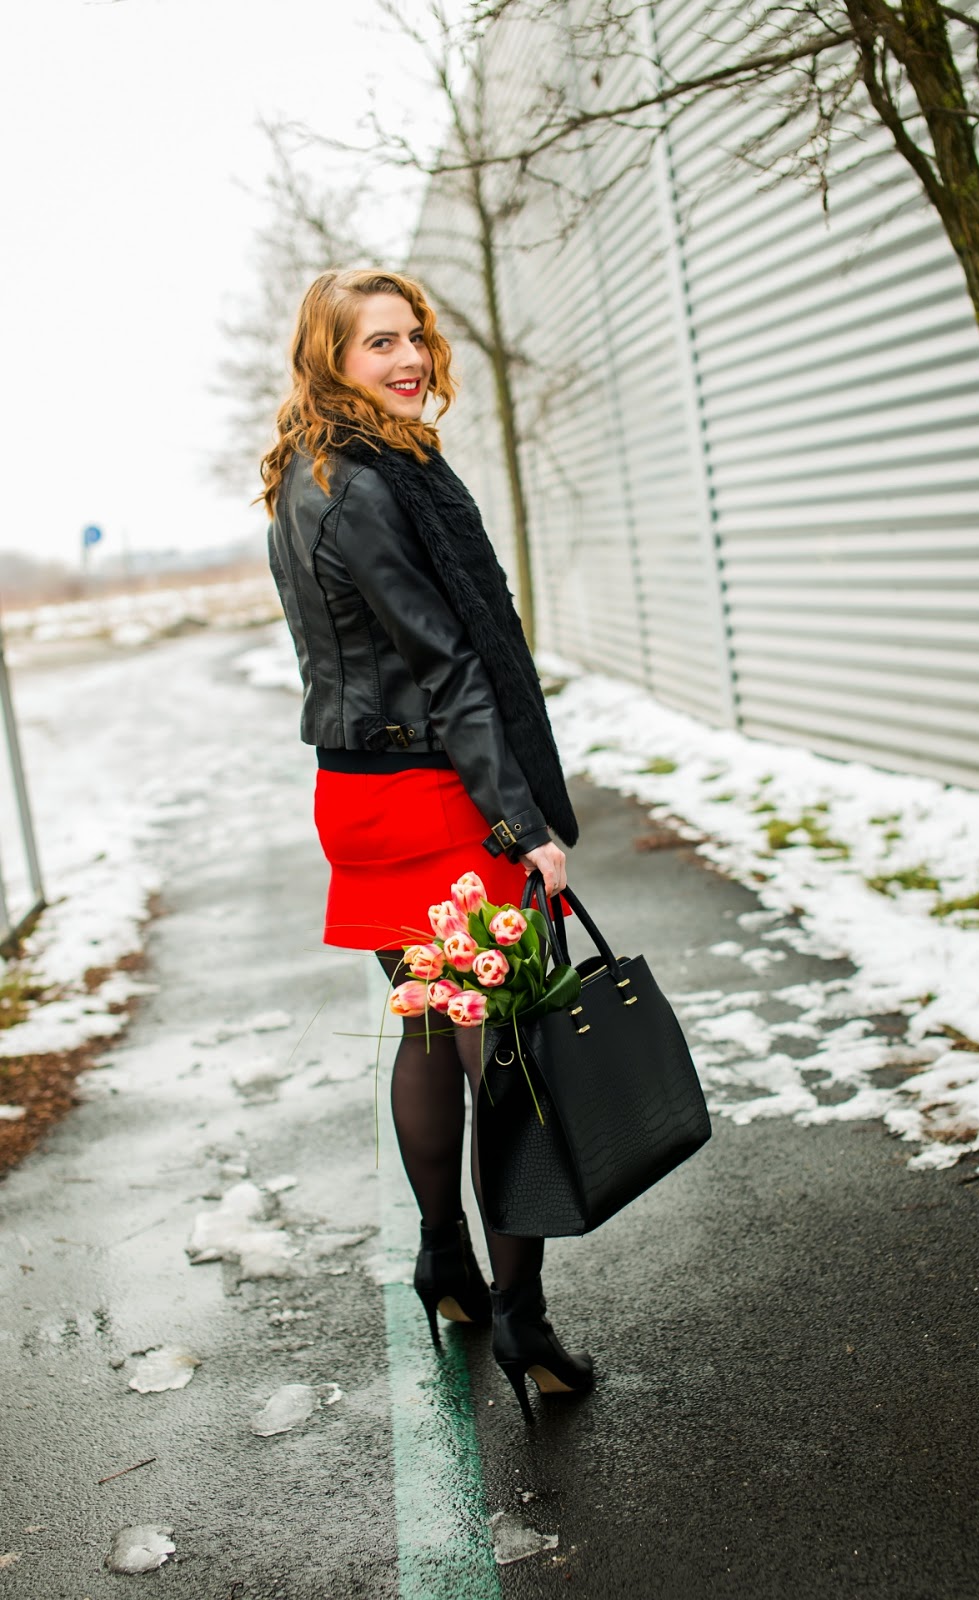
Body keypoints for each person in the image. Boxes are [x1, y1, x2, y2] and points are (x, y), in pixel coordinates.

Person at [260, 267, 593, 1421]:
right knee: (499, 1053)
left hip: (358, 789)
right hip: (430, 798)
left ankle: (444, 1259)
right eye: (378, 343)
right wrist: (522, 822)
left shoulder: (308, 473)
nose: (407, 358)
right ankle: (522, 1315)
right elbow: (446, 662)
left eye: (413, 336)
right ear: (330, 358)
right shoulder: (364, 486)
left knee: (426, 1026)